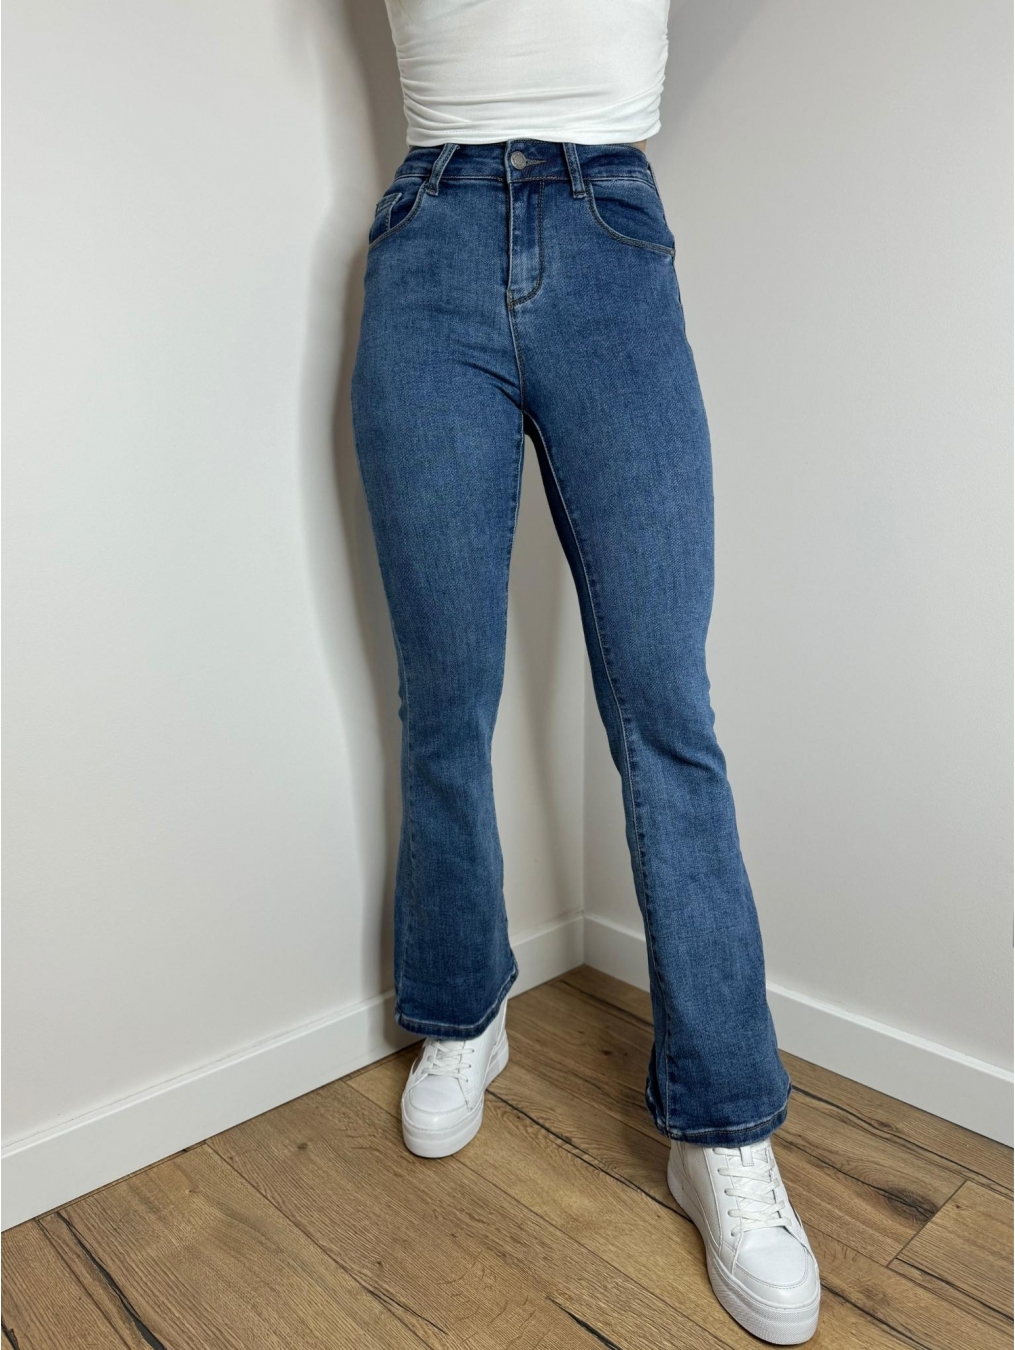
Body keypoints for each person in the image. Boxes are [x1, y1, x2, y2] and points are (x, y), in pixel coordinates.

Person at [350, 2, 820, 1343]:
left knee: (667, 710)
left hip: (610, 227)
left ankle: (722, 1128)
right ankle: (463, 1010)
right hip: (428, 237)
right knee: (444, 699)